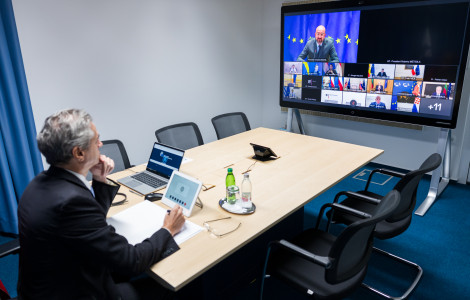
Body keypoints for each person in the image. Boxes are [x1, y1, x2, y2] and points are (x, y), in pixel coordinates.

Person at [17, 109, 185, 300]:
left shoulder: (40, 182)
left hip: (48, 284)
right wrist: (168, 229)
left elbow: (87, 224)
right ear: (79, 153)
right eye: (96, 140)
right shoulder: (72, 202)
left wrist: (99, 179)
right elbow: (132, 261)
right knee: (174, 285)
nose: (101, 144)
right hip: (74, 291)